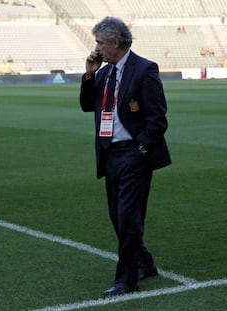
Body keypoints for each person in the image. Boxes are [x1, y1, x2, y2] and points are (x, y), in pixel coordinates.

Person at [79, 16, 171, 296]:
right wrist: (89, 74)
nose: (97, 48)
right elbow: (86, 106)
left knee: (129, 218)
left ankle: (126, 280)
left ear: (115, 42)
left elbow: (158, 119)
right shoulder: (104, 73)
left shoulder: (144, 69)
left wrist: (141, 149)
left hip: (134, 155)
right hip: (110, 155)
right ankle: (144, 262)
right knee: (118, 218)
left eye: (99, 42)